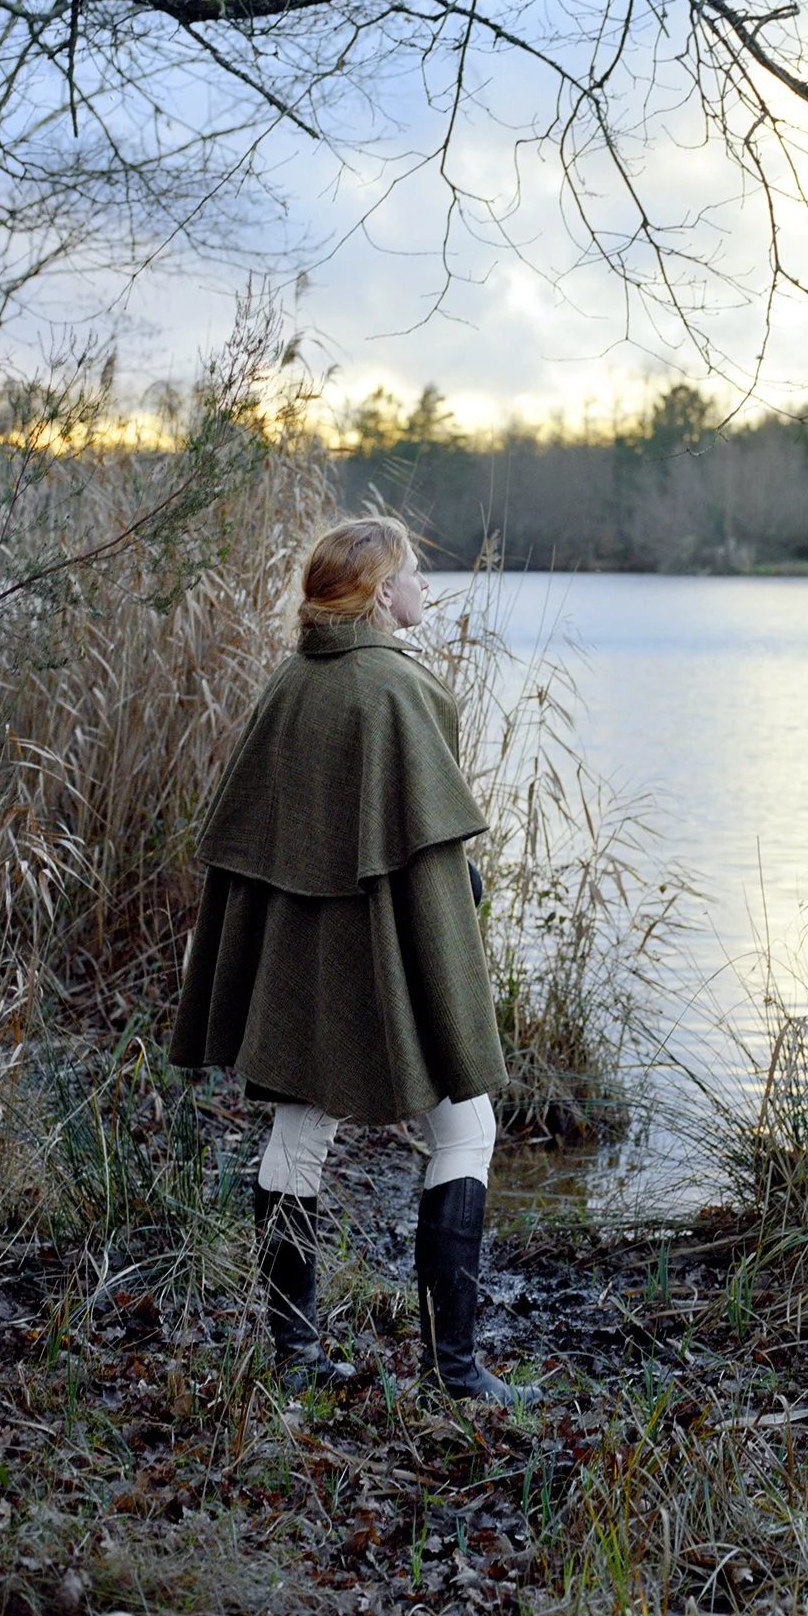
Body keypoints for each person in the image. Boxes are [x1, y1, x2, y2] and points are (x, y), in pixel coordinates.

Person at [169, 515, 538, 1406]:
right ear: (378, 593)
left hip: (303, 961)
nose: (423, 590)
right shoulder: (396, 690)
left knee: (298, 1134)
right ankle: (454, 1374)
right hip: (392, 949)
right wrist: (459, 905)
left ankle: (294, 1364)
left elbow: (262, 839)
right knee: (467, 1129)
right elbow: (425, 854)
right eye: (412, 575)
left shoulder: (289, 683)